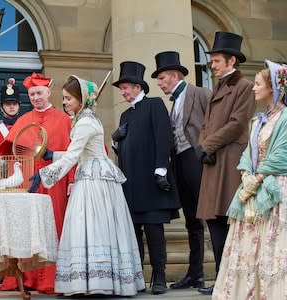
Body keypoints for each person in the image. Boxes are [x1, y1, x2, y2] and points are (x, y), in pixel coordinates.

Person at [28, 75, 145, 296]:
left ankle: (96, 282)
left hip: (94, 181)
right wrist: (53, 155)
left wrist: (42, 176)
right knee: (92, 227)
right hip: (93, 174)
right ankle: (95, 280)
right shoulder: (87, 119)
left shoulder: (85, 122)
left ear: (81, 100)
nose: (65, 103)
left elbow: (74, 156)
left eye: (69, 99)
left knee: (92, 226)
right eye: (63, 98)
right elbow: (81, 152)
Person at [211, 60, 287, 299]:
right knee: (249, 244)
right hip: (253, 186)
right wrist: (245, 173)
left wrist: (259, 177)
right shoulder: (259, 119)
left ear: (274, 87)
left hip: (274, 187)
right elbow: (247, 151)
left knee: (271, 243)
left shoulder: (284, 118)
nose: (253, 88)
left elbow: (282, 152)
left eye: (257, 84)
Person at [0, 72, 72, 294]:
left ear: (49, 92)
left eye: (39, 93)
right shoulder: (23, 120)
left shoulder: (64, 120)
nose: (36, 98)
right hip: (28, 181)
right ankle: (26, 277)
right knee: (27, 227)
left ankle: (49, 278)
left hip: (54, 182)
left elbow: (72, 154)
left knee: (53, 225)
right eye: (32, 95)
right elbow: (10, 152)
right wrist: (8, 180)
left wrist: (71, 181)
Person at [111, 61, 180, 295]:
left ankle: (159, 277)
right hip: (131, 182)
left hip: (151, 179)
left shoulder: (154, 105)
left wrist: (161, 169)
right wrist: (115, 139)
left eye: (126, 87)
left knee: (154, 230)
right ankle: (138, 276)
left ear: (139, 87)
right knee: (134, 232)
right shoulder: (123, 115)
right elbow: (122, 150)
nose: (123, 92)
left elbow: (164, 137)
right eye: (121, 88)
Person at [196, 31, 256, 295]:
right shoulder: (218, 85)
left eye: (217, 60)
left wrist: (207, 145)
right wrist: (202, 143)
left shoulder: (243, 86)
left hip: (229, 161)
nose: (213, 64)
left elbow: (238, 124)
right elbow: (206, 123)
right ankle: (221, 278)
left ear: (231, 61)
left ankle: (230, 280)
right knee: (214, 222)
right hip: (213, 161)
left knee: (229, 222)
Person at [152, 51, 211, 290]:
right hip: (179, 162)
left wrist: (208, 150)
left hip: (197, 159)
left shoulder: (200, 93)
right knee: (192, 220)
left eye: (162, 78)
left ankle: (221, 270)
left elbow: (216, 121)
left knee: (210, 217)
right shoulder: (173, 103)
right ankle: (195, 274)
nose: (159, 83)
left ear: (174, 75)